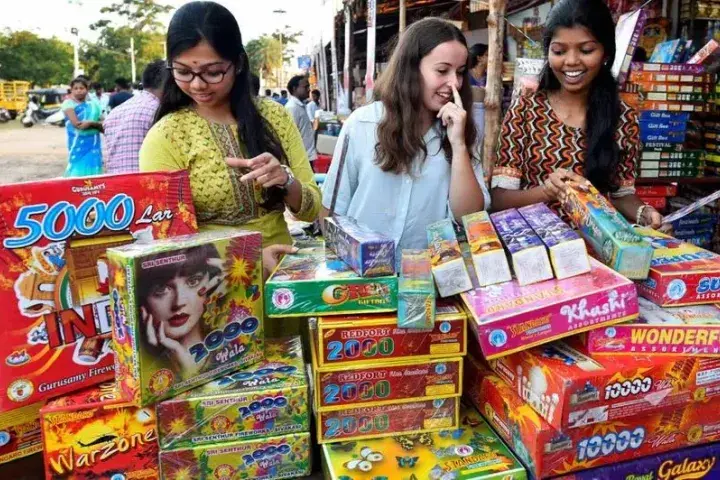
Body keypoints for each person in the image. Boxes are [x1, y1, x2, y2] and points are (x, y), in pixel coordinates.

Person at [139, 1, 321, 254]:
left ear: (238, 64)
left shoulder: (273, 116)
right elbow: (166, 243)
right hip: (210, 284)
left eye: (212, 72)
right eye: (183, 72)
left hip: (284, 276)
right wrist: (250, 261)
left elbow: (312, 209)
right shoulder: (166, 137)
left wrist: (285, 180)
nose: (197, 85)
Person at [320, 18, 490, 258]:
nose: (454, 83)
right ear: (410, 68)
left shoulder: (459, 130)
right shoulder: (363, 124)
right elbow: (332, 211)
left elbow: (468, 217)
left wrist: (459, 145)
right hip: (363, 279)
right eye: (442, 71)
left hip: (425, 281)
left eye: (460, 72)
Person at [491, 0, 665, 229]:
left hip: (598, 250)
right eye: (559, 51)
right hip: (534, 248)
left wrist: (645, 213)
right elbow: (499, 200)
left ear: (605, 53)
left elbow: (622, 196)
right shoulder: (525, 109)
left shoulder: (623, 119)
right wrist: (546, 191)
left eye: (586, 50)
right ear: (548, 52)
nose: (571, 61)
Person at [138, 243, 223, 376]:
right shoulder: (145, 371)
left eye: (193, 281)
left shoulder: (234, 345)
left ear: (212, 283)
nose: (179, 302)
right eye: (161, 289)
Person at [104, 60, 165, 174]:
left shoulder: (115, 112)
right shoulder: (159, 111)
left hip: (117, 187)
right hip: (146, 185)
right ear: (167, 84)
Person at [61, 77, 103, 177]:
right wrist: (95, 124)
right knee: (77, 173)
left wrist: (91, 123)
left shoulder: (94, 105)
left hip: (93, 145)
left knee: (94, 175)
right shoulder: (68, 104)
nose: (79, 91)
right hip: (77, 144)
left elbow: (104, 125)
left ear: (87, 89)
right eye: (75, 88)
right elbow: (78, 125)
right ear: (71, 90)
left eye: (81, 88)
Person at [286, 75, 317, 162]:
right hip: (302, 159)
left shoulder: (300, 106)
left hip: (307, 156)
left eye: (309, 86)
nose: (309, 90)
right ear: (294, 88)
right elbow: (289, 137)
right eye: (305, 87)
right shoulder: (292, 108)